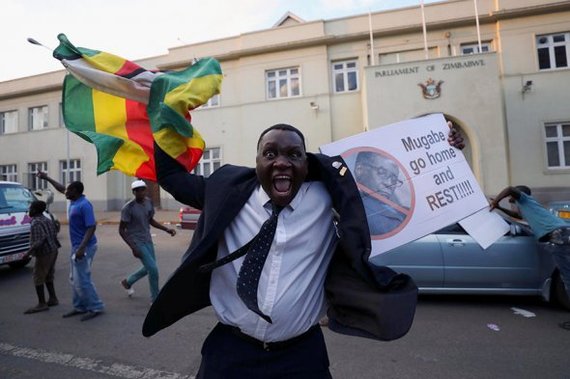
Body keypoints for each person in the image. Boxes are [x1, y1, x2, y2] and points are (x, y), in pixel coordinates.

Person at [143, 123, 464, 378]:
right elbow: (172, 177)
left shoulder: (329, 198)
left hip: (299, 356)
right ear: (256, 162)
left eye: (293, 154)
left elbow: (401, 187)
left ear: (306, 162)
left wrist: (445, 149)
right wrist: (163, 122)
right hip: (231, 352)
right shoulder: (225, 190)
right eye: (270, 154)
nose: (281, 162)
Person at [36, 171, 104, 321]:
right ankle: (79, 306)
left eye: (69, 190)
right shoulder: (73, 201)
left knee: (83, 279)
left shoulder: (84, 205)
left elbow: (91, 227)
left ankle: (96, 306)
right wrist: (46, 177)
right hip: (76, 247)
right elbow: (61, 188)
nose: (65, 192)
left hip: (85, 247)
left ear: (77, 192)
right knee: (74, 278)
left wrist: (81, 248)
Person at [490, 185, 570, 296]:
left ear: (518, 194)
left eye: (510, 196)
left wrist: (495, 202)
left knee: (567, 276)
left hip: (559, 235)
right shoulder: (526, 207)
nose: (509, 197)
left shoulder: (525, 200)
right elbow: (517, 215)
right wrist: (499, 207)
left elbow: (509, 189)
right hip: (562, 234)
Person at [119, 179, 176, 303]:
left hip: (147, 239)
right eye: (138, 191)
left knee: (148, 268)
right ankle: (155, 298)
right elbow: (122, 230)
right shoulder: (128, 208)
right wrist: (133, 247)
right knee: (153, 269)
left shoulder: (149, 203)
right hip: (136, 241)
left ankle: (127, 282)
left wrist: (166, 229)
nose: (142, 192)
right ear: (133, 192)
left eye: (143, 189)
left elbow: (150, 220)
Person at [354, 151, 409, 236]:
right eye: (382, 172)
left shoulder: (401, 210)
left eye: (394, 179)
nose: (389, 183)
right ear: (359, 170)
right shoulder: (357, 211)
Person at [23, 200, 60, 314]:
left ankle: (42, 304)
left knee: (38, 277)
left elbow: (39, 241)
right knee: (48, 274)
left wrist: (28, 253)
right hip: (54, 249)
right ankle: (53, 298)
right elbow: (53, 234)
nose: (29, 210)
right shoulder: (47, 220)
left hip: (45, 253)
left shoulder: (36, 223)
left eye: (30, 208)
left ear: (35, 210)